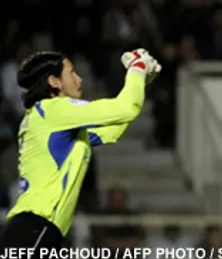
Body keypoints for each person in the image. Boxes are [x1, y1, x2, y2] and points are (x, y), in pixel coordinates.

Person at [0, 49, 161, 254]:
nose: (79, 79)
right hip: (37, 227)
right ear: (54, 82)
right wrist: (137, 69)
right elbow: (125, 109)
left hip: (40, 230)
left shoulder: (52, 120)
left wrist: (140, 82)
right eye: (72, 72)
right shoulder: (55, 110)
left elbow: (114, 129)